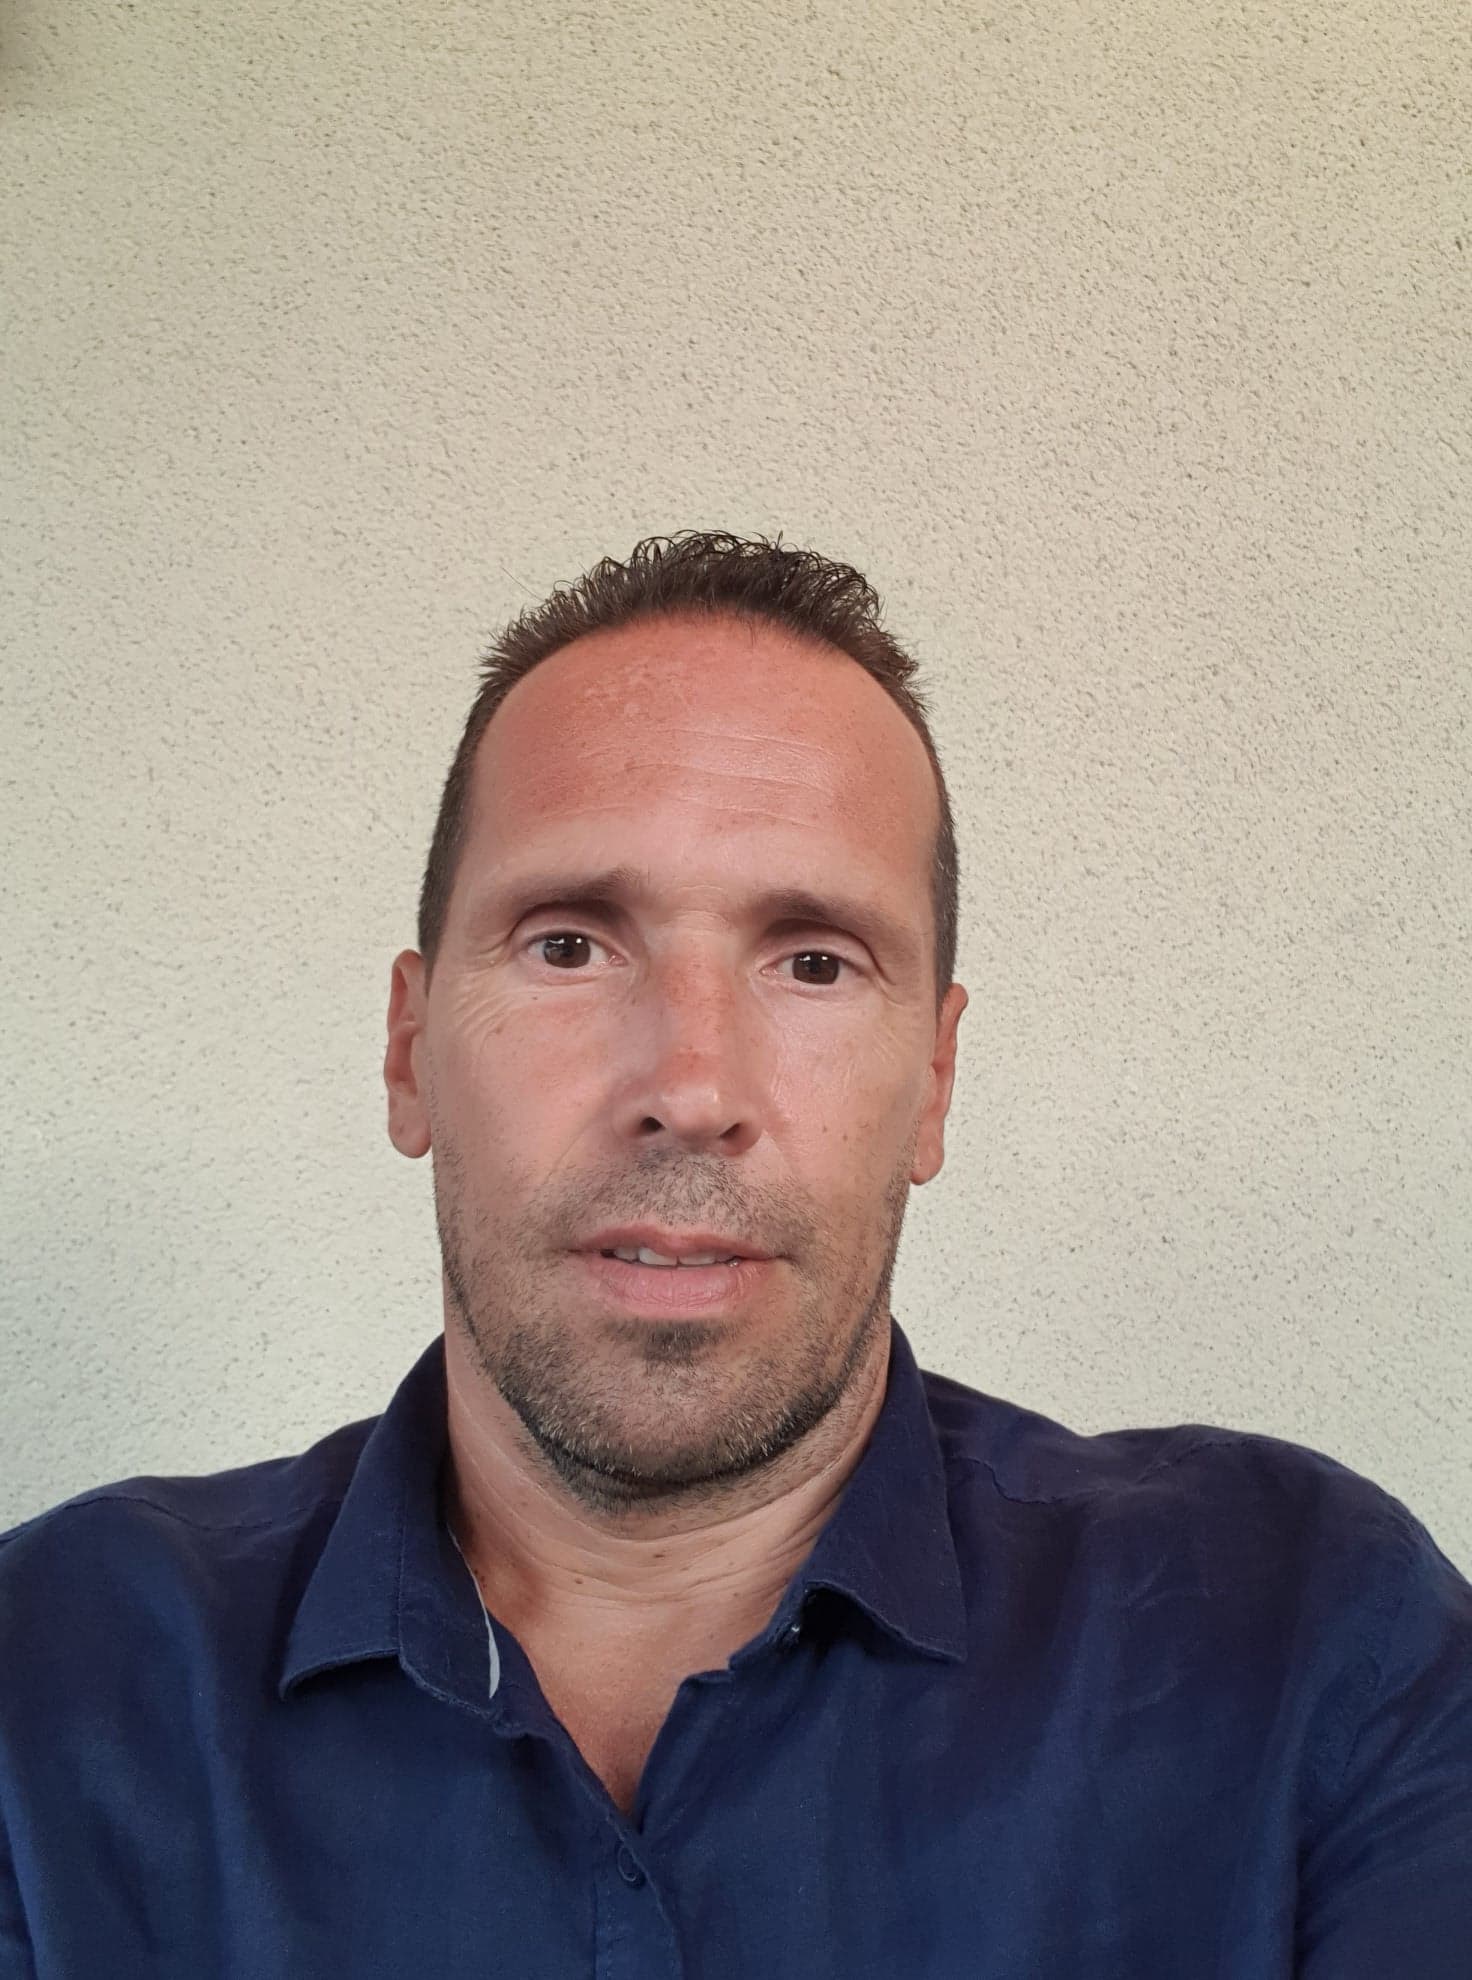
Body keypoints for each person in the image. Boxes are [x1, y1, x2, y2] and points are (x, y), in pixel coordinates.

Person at [1, 531, 1467, 1977]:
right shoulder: (51, 1671)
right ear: (409, 1050)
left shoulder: (1308, 1640)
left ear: (934, 1083)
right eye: (570, 944)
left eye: (814, 961)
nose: (692, 1087)